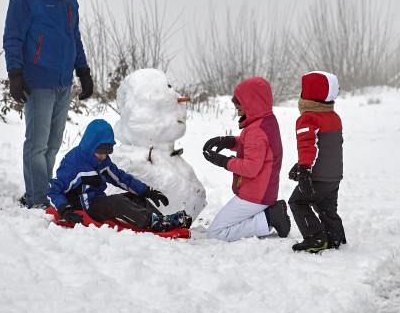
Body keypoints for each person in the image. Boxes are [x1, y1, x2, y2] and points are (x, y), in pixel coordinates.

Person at [3, 0, 94, 209]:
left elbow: (74, 37)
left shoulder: (70, 1)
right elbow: (13, 39)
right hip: (38, 81)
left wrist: (83, 71)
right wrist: (15, 74)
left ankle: (39, 191)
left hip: (63, 82)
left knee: (53, 144)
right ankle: (37, 198)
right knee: (37, 144)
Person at [48, 119, 192, 232]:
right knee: (117, 202)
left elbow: (121, 178)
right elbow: (54, 189)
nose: (104, 157)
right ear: (91, 146)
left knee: (135, 198)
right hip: (83, 209)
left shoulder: (102, 161)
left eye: (106, 153)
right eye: (101, 153)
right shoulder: (73, 163)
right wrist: (64, 209)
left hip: (98, 202)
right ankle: (154, 222)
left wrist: (147, 191)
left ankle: (162, 220)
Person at [202, 77, 290, 242]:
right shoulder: (266, 121)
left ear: (251, 103)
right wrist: (229, 141)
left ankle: (270, 217)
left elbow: (251, 168)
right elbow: (254, 147)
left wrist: (223, 161)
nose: (238, 112)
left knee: (215, 233)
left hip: (255, 195)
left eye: (239, 108)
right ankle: (268, 215)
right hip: (262, 191)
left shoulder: (257, 130)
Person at [287, 71, 346, 253]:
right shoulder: (333, 117)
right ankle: (335, 239)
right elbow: (326, 148)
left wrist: (304, 170)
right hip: (333, 176)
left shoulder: (308, 118)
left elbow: (308, 146)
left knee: (298, 202)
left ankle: (315, 238)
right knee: (327, 208)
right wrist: (300, 165)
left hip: (317, 177)